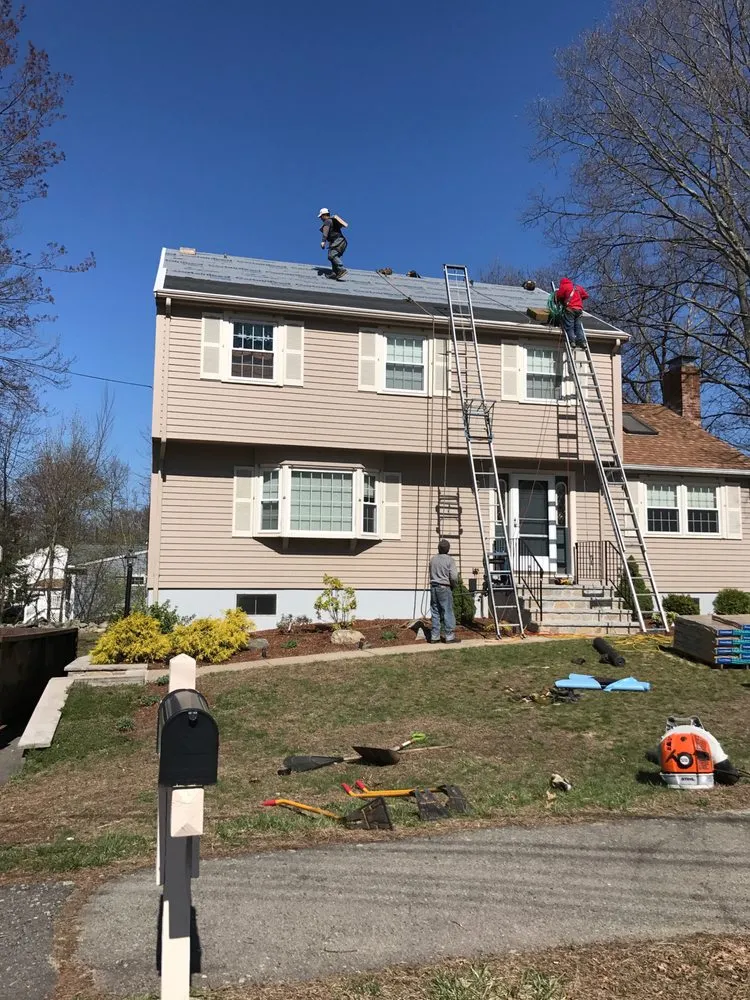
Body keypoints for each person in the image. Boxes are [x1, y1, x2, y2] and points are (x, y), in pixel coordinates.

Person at [428, 538, 461, 644]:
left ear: (438, 548)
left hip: (433, 587)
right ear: (448, 549)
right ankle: (449, 636)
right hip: (444, 587)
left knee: (435, 611)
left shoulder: (433, 559)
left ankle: (434, 636)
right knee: (447, 611)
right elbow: (454, 576)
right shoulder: (450, 560)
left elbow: (431, 573)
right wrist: (454, 585)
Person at [555, 277, 588, 349]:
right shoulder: (577, 287)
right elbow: (585, 295)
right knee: (578, 327)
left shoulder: (564, 286)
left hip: (570, 309)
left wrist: (561, 300)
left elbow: (559, 296)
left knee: (570, 326)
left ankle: (572, 341)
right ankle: (582, 342)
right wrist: (578, 299)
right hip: (579, 310)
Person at [318, 208, 348, 279]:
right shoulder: (332, 221)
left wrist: (323, 241)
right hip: (342, 242)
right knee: (332, 256)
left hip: (338, 241)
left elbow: (326, 231)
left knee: (332, 255)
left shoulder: (327, 221)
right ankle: (334, 273)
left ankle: (341, 269)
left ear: (324, 215)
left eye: (321, 216)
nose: (320, 218)